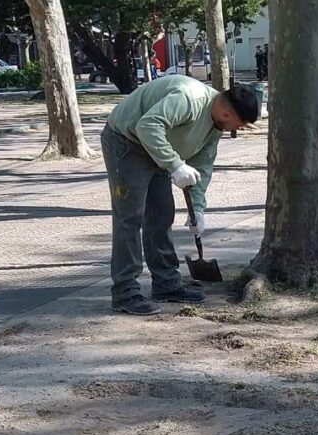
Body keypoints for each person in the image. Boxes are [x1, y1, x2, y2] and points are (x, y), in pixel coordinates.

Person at [102, 75, 260, 315]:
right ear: (228, 114)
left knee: (161, 216)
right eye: (240, 124)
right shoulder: (189, 98)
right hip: (128, 142)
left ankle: (166, 283)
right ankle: (125, 292)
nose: (237, 130)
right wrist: (175, 165)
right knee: (130, 217)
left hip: (158, 150)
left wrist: (197, 208)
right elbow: (148, 125)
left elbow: (202, 166)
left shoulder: (216, 126)